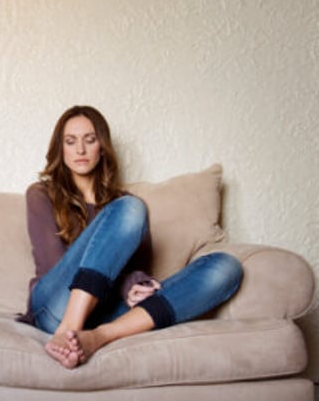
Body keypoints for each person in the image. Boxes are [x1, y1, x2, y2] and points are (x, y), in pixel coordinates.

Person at [22, 105, 243, 369]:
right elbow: (53, 267)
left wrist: (138, 286)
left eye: (89, 140)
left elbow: (135, 270)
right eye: (71, 142)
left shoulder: (125, 205)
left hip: (105, 314)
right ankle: (69, 330)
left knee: (225, 267)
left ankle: (98, 337)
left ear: (101, 147)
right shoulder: (41, 194)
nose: (80, 150)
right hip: (54, 309)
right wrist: (124, 283)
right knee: (129, 209)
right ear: (61, 149)